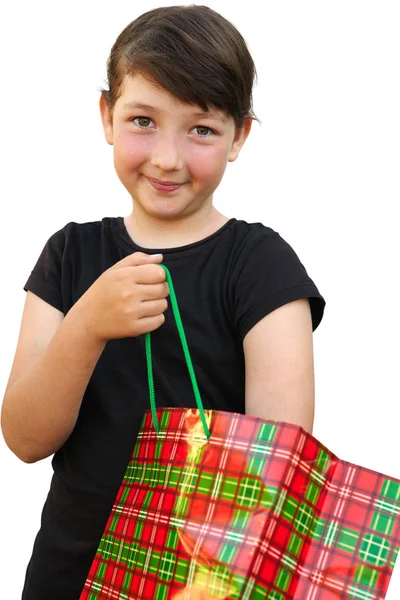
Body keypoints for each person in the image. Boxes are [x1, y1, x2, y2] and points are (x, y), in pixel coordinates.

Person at [1, 5, 326, 599]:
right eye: (143, 120)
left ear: (240, 137)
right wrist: (87, 326)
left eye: (201, 129)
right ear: (106, 115)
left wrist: (210, 582)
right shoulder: (69, 255)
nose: (168, 158)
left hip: (208, 583)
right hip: (68, 575)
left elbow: (280, 460)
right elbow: (24, 439)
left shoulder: (260, 265)